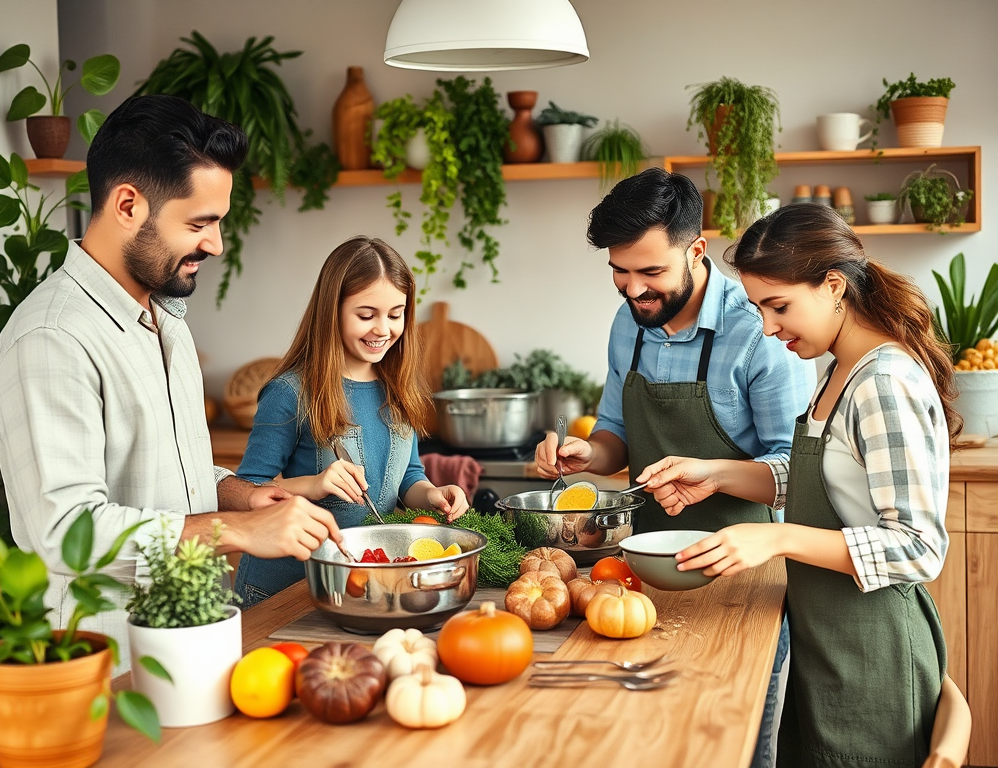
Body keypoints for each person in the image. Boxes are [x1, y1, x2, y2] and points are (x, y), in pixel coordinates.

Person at [0, 95, 344, 655]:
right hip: (109, 658)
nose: (215, 244)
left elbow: (172, 471)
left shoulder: (162, 319)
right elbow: (69, 532)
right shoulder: (52, 338)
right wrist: (240, 532)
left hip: (192, 636)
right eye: (199, 222)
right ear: (128, 205)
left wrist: (244, 500)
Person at [534, 168, 816, 768]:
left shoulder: (761, 330)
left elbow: (796, 471)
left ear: (696, 249)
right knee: (640, 741)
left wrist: (711, 472)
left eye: (651, 272)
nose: (634, 290)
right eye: (619, 273)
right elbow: (614, 438)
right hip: (642, 572)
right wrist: (586, 456)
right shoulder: (627, 324)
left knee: (733, 743)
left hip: (742, 575)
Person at [665, 203, 954, 766]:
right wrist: (716, 473)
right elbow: (824, 477)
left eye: (779, 307)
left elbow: (919, 547)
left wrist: (776, 538)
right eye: (758, 308)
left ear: (833, 285)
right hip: (828, 646)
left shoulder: (883, 382)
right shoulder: (838, 370)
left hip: (875, 656)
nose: (768, 328)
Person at [233, 236, 469, 607]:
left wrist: (432, 494)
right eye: (366, 315)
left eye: (396, 315)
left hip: (359, 584)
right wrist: (314, 484)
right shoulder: (290, 392)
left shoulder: (399, 389)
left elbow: (406, 476)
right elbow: (246, 491)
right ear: (333, 310)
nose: (382, 329)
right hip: (284, 587)